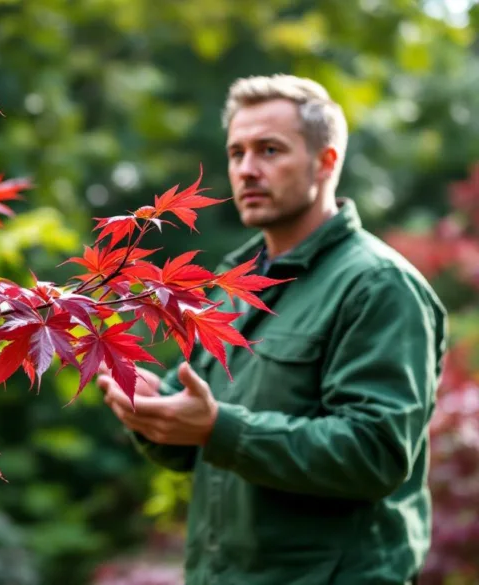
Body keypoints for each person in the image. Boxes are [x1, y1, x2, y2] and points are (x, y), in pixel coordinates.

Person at [98, 74, 448, 585]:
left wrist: (220, 428)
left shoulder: (378, 286)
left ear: (327, 161)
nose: (247, 169)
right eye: (236, 152)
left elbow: (375, 453)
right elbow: (193, 442)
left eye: (269, 150)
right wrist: (149, 413)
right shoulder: (233, 286)